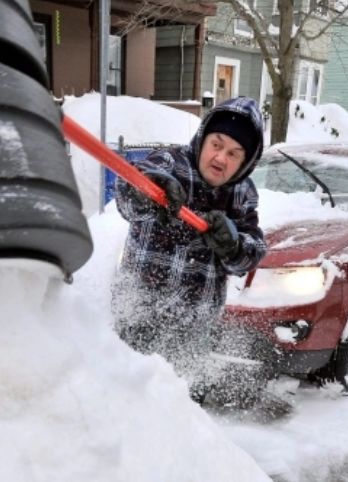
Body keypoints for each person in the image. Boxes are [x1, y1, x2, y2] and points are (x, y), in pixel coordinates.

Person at [111, 96, 267, 404]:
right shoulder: (169, 162)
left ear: (246, 162)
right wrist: (150, 190)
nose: (221, 158)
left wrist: (235, 245)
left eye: (234, 153)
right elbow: (128, 194)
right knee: (127, 402)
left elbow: (253, 251)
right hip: (141, 311)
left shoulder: (243, 194)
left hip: (194, 328)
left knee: (182, 413)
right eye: (217, 144)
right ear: (203, 138)